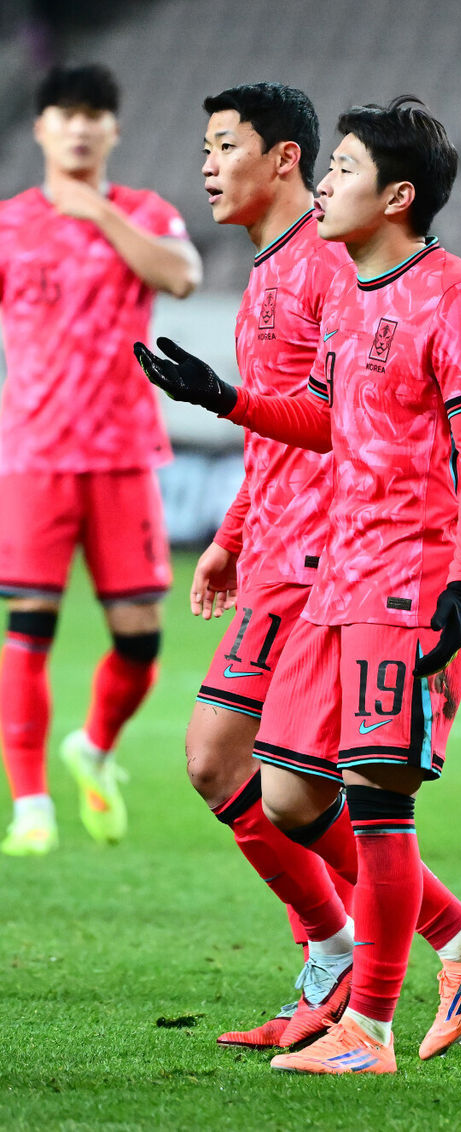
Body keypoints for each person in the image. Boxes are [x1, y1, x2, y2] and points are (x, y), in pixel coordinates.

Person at [136, 96, 461, 1075]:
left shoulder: (443, 294)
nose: (323, 190)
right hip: (336, 572)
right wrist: (221, 403)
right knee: (293, 797)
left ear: (392, 193)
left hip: (397, 578)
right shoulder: (353, 291)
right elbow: (328, 423)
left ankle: (368, 1027)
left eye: (340, 170)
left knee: (367, 801)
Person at [184, 82, 360, 1052]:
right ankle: (340, 965)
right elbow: (274, 439)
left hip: (323, 554)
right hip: (278, 547)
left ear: (284, 157)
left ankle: (384, 942)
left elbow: (355, 413)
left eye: (224, 145)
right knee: (284, 783)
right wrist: (231, 532)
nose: (207, 165)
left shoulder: (329, 267)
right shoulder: (269, 273)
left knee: (226, 760)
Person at [0, 63, 202, 855]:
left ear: (114, 129)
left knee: (141, 639)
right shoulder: (11, 224)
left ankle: (93, 744)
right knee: (28, 631)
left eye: (95, 115)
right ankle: (33, 806)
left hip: (122, 453)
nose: (80, 127)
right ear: (43, 126)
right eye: (65, 113)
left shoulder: (146, 213)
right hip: (35, 456)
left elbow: (182, 276)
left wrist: (94, 213)